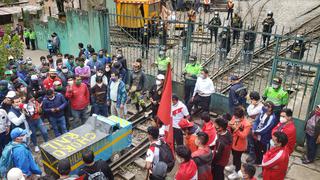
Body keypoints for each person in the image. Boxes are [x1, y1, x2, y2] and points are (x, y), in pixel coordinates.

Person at [226, 107, 251, 180]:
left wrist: (235, 128)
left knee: (237, 158)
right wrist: (229, 124)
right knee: (233, 155)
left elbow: (243, 135)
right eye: (235, 116)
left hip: (240, 145)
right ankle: (233, 166)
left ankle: (237, 172)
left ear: (242, 116)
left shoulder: (247, 124)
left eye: (237, 117)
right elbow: (230, 124)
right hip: (232, 142)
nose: (235, 118)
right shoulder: (234, 117)